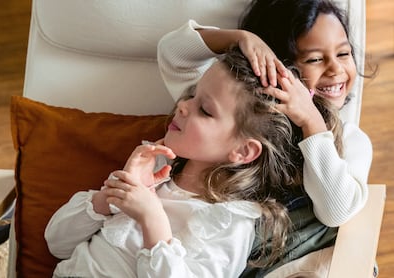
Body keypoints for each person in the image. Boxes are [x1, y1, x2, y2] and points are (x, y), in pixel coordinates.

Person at [45, 47, 339, 277]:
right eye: (192, 95)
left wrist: (153, 220)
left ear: (243, 152)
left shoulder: (229, 220)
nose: (183, 106)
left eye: (205, 110)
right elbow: (56, 244)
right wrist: (108, 197)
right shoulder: (154, 176)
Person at [157, 0, 372, 228]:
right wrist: (242, 38)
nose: (336, 69)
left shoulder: (351, 139)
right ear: (276, 65)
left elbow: (336, 212)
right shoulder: (226, 100)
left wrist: (311, 121)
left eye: (344, 53)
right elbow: (173, 53)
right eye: (315, 59)